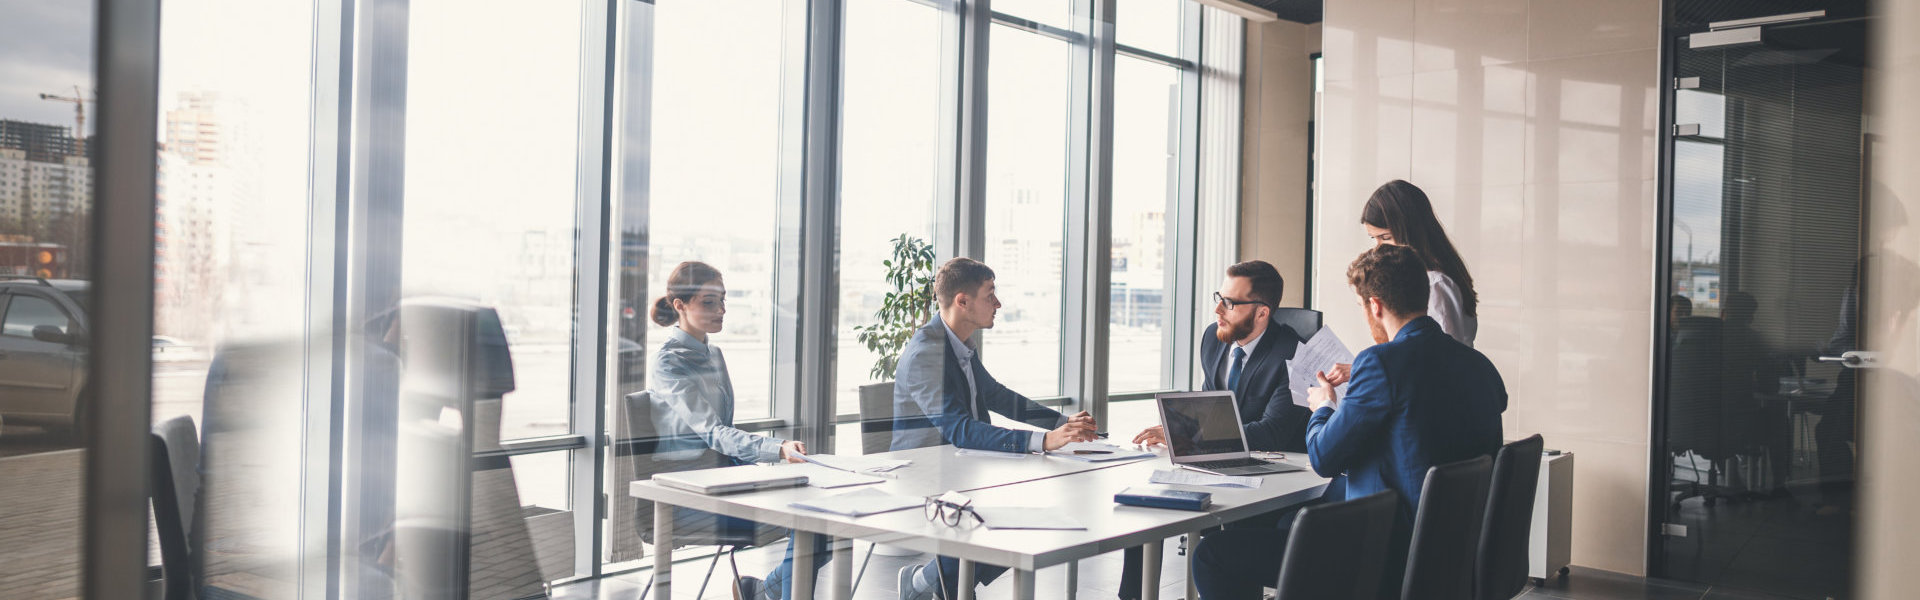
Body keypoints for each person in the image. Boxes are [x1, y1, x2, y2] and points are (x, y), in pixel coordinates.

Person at [1191, 244, 1507, 600]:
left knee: (1212, 555)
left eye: (1361, 307)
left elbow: (1325, 459)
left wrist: (1324, 407)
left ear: (1375, 305)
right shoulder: (1480, 366)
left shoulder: (1380, 362)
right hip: (1453, 549)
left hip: (1381, 550)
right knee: (1287, 523)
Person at [892, 257, 1100, 600]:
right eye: (990, 294)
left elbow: (996, 395)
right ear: (962, 301)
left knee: (1029, 520)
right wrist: (1045, 441)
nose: (998, 303)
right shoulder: (925, 353)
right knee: (1016, 522)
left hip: (962, 466)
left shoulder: (960, 344)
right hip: (927, 475)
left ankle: (929, 583)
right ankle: (934, 584)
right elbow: (960, 429)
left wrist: (1063, 424)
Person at [1117, 260, 1314, 599]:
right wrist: (1178, 430)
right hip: (1218, 459)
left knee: (1228, 540)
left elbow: (1272, 431)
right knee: (1146, 502)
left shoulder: (1295, 355)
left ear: (1263, 312)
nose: (1218, 309)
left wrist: (1189, 436)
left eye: (1231, 303)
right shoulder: (1214, 338)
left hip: (1275, 474)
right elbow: (1211, 408)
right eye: (1219, 297)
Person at [648, 261, 823, 600]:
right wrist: (778, 448)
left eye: (723, 301)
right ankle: (765, 593)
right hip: (690, 490)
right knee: (812, 527)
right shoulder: (667, 362)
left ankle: (763, 592)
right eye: (709, 302)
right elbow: (714, 432)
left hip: (726, 476)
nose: (722, 311)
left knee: (822, 522)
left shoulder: (713, 353)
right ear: (679, 306)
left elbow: (723, 432)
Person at [1362, 179, 1480, 346]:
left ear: (1410, 231)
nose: (1378, 249)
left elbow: (1440, 361)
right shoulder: (1422, 279)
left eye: (1386, 238)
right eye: (1374, 239)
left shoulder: (1435, 285)